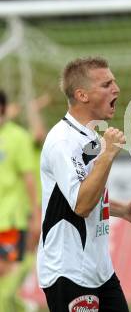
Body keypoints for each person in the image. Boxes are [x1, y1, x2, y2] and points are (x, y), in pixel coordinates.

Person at [37, 56, 131, 312]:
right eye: (106, 84)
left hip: (99, 270)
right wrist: (108, 154)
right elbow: (81, 205)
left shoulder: (90, 137)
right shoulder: (62, 142)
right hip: (69, 271)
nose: (116, 89)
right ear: (82, 95)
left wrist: (121, 210)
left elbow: (84, 192)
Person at [0, 89, 40, 312]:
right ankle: (22, 305)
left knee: (4, 271)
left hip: (10, 217)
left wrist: (35, 214)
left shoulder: (18, 137)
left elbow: (29, 179)